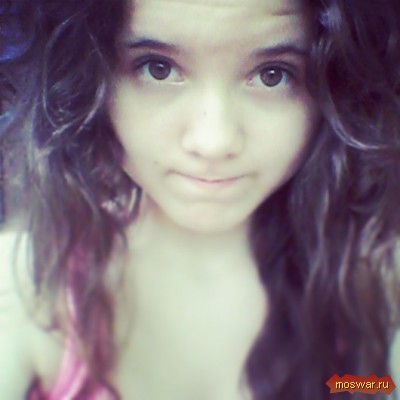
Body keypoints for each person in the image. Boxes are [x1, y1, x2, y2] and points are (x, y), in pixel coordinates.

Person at [0, 0, 400, 399]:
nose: (214, 142)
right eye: (158, 68)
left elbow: (373, 386)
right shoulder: (27, 284)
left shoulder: (376, 279)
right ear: (87, 76)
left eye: (272, 75)